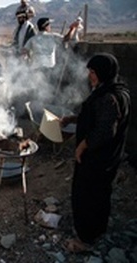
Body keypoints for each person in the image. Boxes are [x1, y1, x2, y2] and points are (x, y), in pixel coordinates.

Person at [60, 53, 131, 253]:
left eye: (92, 72)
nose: (90, 76)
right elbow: (96, 119)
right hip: (108, 157)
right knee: (101, 193)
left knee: (86, 195)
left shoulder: (108, 97)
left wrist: (82, 146)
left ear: (102, 72)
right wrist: (72, 119)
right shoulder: (116, 90)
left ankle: (85, 239)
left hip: (96, 158)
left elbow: (106, 130)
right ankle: (98, 229)